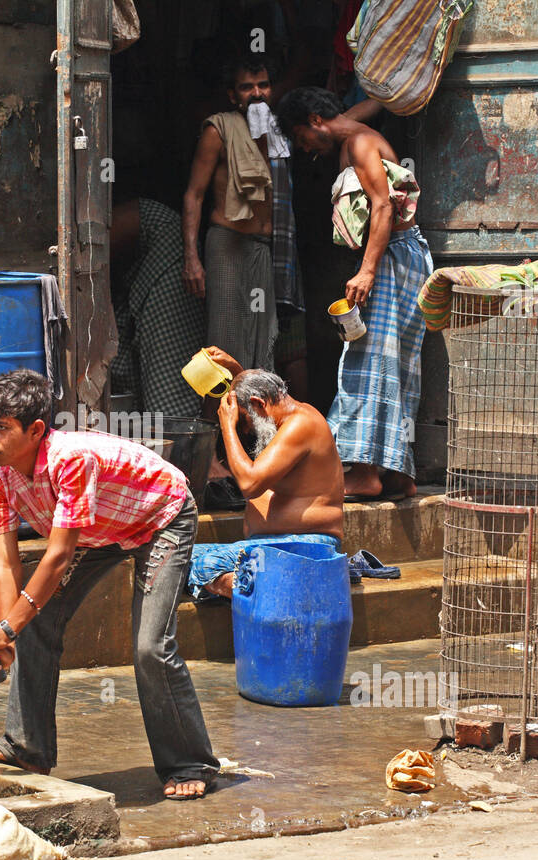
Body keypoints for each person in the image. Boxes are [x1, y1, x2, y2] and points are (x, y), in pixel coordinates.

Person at [0, 369, 219, 799]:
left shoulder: (70, 460)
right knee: (33, 621)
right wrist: (8, 635)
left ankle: (190, 762)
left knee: (151, 647)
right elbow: (6, 563)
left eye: (2, 428)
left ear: (36, 430)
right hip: (101, 529)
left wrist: (6, 629)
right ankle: (26, 746)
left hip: (162, 517)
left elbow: (59, 555)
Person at [274, 86, 432, 501]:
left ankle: (363, 472)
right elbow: (362, 107)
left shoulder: (360, 143)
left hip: (393, 258)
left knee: (366, 357)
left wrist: (366, 271)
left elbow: (382, 205)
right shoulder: (350, 131)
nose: (304, 148)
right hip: (404, 257)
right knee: (397, 364)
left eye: (300, 136)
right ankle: (396, 472)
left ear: (313, 122)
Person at [187, 347, 345, 600]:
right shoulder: (280, 418)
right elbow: (255, 399)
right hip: (271, 545)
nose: (247, 430)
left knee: (206, 564)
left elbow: (250, 484)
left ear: (259, 404)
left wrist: (227, 426)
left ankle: (268, 593)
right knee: (181, 554)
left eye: (246, 421)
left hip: (305, 545)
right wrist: (236, 371)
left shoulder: (300, 425)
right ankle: (257, 583)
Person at [182, 55, 282, 373]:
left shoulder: (279, 132)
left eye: (263, 85)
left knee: (263, 342)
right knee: (223, 347)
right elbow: (194, 195)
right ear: (232, 95)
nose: (256, 93)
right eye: (246, 87)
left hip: (263, 248)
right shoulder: (219, 130)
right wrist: (191, 258)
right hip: (227, 245)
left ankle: (252, 422)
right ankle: (216, 421)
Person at [109, 197, 206, 418]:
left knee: (167, 361)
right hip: (128, 278)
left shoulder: (158, 227)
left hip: (167, 251)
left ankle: (174, 430)